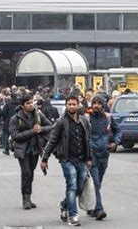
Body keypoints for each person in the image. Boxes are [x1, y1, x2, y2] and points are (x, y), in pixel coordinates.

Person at [41, 95, 92, 226]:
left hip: (81, 159)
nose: (72, 106)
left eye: (74, 104)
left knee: (80, 188)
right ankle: (73, 215)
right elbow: (52, 140)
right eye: (69, 104)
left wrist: (89, 158)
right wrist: (44, 158)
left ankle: (64, 205)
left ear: (78, 105)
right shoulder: (61, 122)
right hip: (67, 159)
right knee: (72, 185)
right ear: (66, 106)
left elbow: (88, 140)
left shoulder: (84, 121)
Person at [9, 94, 53, 210]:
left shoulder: (38, 114)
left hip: (35, 149)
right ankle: (25, 198)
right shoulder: (16, 118)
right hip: (22, 150)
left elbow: (50, 126)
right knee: (26, 173)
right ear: (22, 105)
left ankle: (29, 196)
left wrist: (41, 129)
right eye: (28, 103)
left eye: (32, 102)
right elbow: (15, 136)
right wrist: (32, 131)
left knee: (31, 173)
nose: (31, 105)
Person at [87, 94, 122, 221]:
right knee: (95, 182)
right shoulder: (86, 118)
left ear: (103, 105)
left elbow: (118, 131)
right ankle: (99, 209)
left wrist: (115, 142)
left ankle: (92, 205)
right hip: (91, 154)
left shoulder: (108, 118)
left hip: (104, 154)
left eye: (99, 103)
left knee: (98, 182)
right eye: (94, 103)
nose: (96, 105)